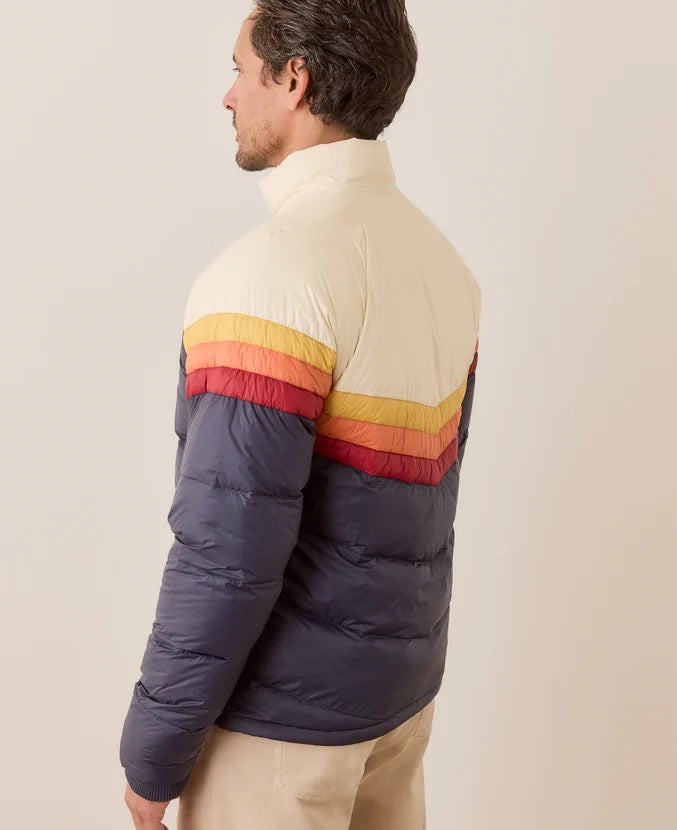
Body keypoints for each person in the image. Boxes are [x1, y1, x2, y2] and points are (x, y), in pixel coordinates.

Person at [120, 2, 481, 828]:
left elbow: (226, 550)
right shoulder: (443, 265)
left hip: (279, 738)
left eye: (240, 69)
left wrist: (154, 750)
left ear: (294, 78)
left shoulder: (270, 279)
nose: (228, 95)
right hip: (397, 710)